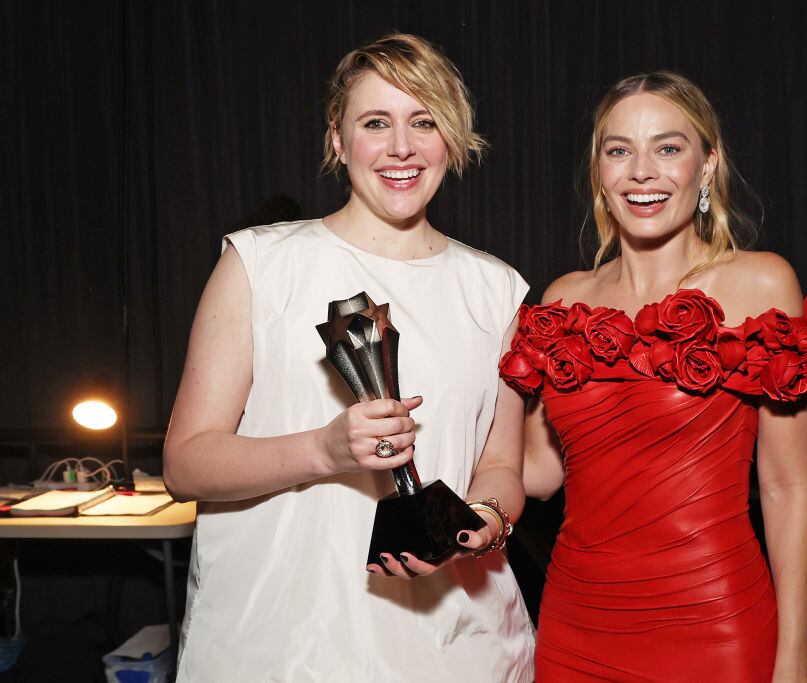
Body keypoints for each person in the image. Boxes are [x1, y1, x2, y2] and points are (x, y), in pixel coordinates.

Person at [164, 34, 535, 682]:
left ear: (450, 137)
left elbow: (502, 465)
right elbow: (186, 462)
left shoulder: (497, 289)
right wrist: (324, 450)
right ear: (338, 138)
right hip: (281, 645)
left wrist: (478, 523)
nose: (401, 147)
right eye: (375, 123)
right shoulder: (260, 264)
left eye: (424, 122)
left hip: (454, 647)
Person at [499, 72, 807, 682]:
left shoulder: (761, 284)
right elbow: (540, 473)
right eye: (619, 150)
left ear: (708, 165)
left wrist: (792, 660)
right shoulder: (564, 298)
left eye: (668, 148)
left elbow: (786, 489)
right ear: (599, 171)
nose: (641, 171)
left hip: (715, 625)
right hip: (576, 626)